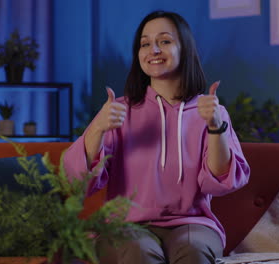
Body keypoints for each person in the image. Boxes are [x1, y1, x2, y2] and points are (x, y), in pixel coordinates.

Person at [63, 10, 250, 264]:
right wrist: (97, 128)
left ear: (185, 49)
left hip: (193, 223)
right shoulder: (118, 111)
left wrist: (216, 127)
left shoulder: (212, 112)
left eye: (164, 41)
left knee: (193, 250)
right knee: (140, 252)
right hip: (125, 225)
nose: (153, 49)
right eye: (145, 43)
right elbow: (75, 183)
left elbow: (218, 182)